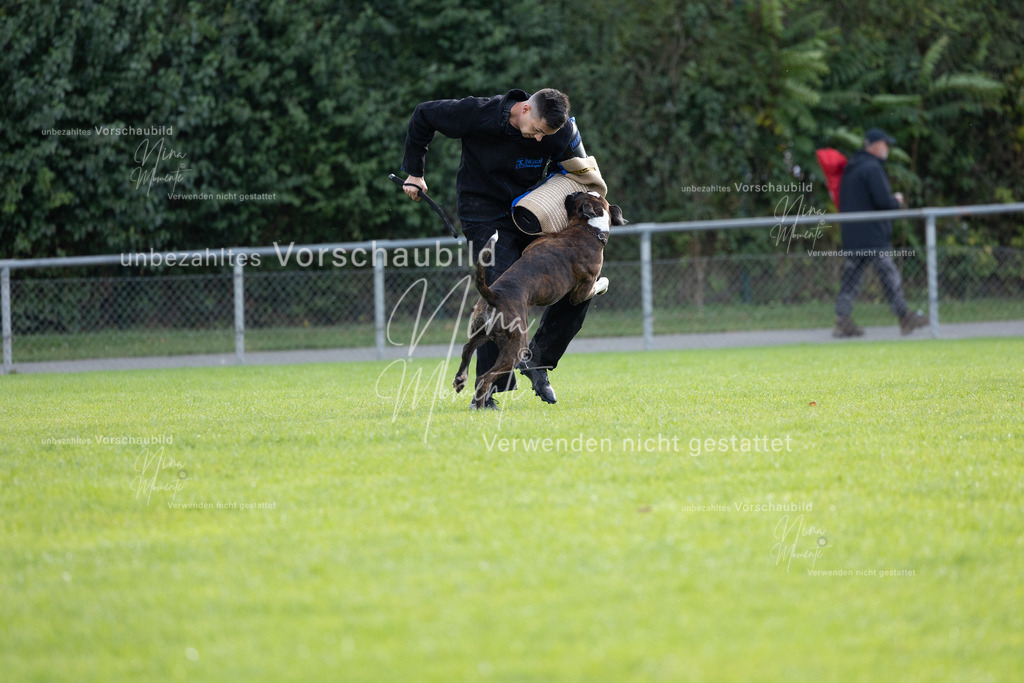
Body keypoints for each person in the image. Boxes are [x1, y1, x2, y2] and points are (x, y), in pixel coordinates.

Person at [400, 88, 589, 408]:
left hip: (531, 213)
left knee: (579, 282)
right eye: (539, 130)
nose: (541, 140)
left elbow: (582, 174)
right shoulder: (477, 113)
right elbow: (424, 115)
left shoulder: (561, 132)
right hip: (482, 212)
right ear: (526, 109)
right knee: (501, 289)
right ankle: (485, 394)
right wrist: (415, 172)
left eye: (548, 135)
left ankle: (538, 359)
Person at [833, 127, 928, 338]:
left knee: (851, 279)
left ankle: (842, 320)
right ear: (875, 145)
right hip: (873, 237)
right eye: (885, 145)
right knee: (889, 277)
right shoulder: (872, 168)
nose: (887, 149)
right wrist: (896, 200)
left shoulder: (851, 168)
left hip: (852, 235)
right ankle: (905, 317)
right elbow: (883, 202)